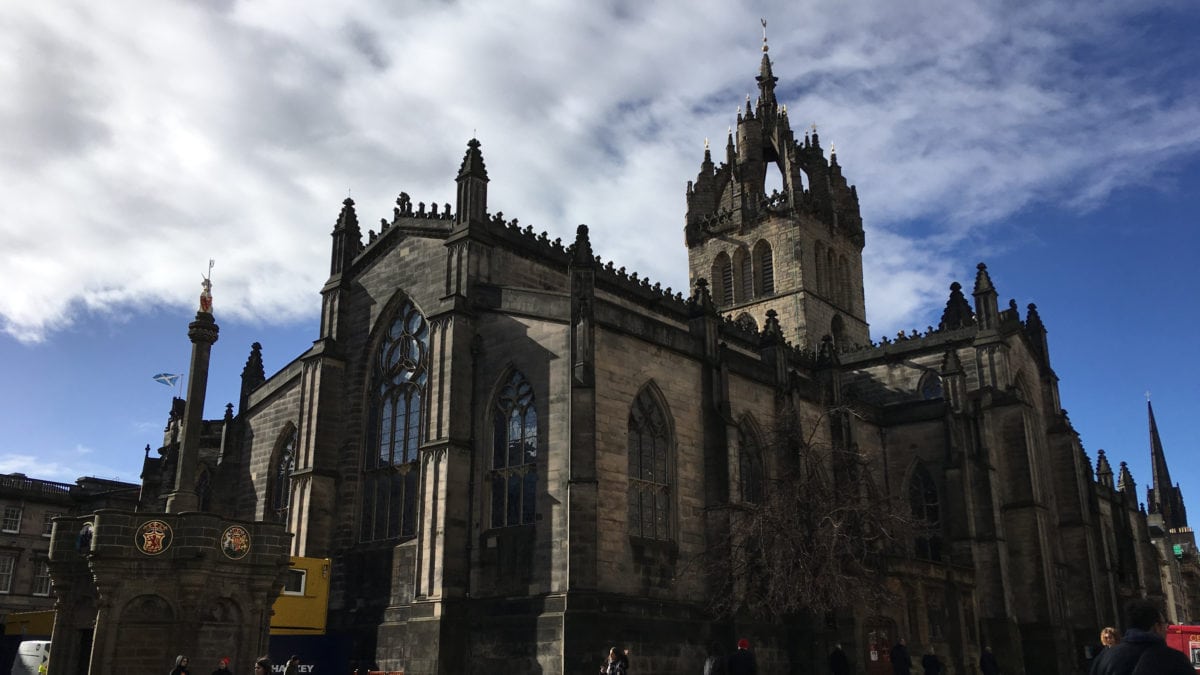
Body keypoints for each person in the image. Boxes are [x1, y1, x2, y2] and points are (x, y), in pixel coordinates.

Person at [1090, 598, 1193, 674]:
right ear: (1156, 627)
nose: (1166, 629)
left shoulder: (1103, 658)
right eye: (1164, 624)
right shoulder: (1174, 659)